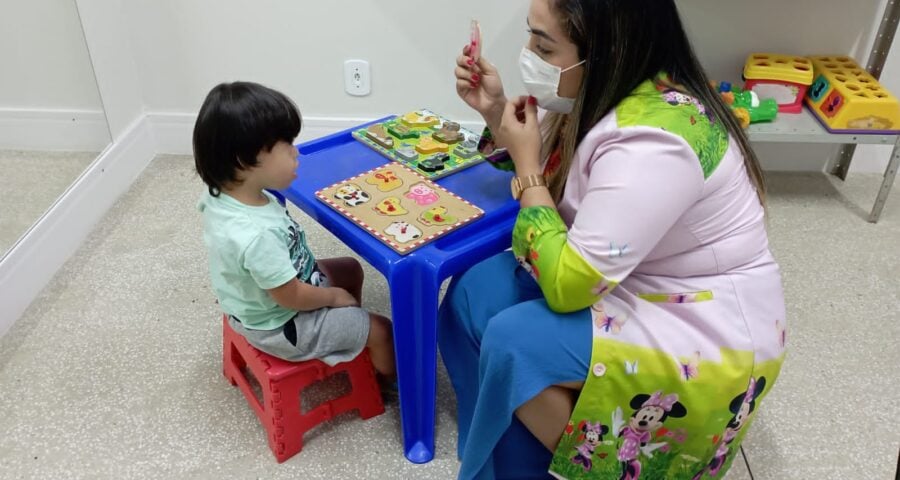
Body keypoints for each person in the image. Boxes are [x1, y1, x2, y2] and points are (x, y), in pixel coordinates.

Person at [439, 0, 786, 478]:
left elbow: (569, 285)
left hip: (701, 322)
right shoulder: (617, 87)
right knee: (471, 292)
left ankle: (581, 464)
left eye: (543, 45)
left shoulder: (654, 142)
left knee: (514, 344)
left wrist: (526, 169)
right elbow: (560, 161)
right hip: (629, 273)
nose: (528, 55)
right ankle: (500, 437)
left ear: (606, 50)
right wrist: (497, 110)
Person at [194, 81, 395, 381]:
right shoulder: (256, 235)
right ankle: (390, 384)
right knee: (383, 330)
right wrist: (332, 297)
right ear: (244, 161)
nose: (295, 151)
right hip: (284, 324)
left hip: (263, 297)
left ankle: (346, 333)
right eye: (285, 144)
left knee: (351, 269)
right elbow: (291, 297)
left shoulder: (222, 194)